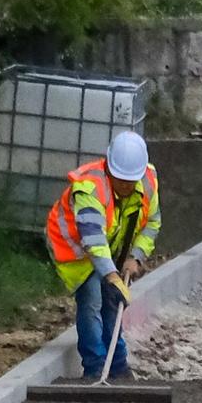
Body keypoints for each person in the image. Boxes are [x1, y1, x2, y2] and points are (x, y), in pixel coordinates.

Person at [46, 130, 160, 378]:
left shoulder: (149, 180)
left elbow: (152, 222)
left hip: (107, 245)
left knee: (112, 300)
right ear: (109, 168)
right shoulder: (90, 188)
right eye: (121, 180)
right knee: (92, 300)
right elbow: (93, 239)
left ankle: (118, 366)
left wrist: (136, 257)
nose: (127, 186)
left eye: (131, 181)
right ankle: (95, 367)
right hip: (74, 250)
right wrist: (110, 275)